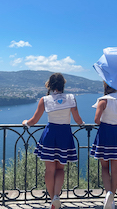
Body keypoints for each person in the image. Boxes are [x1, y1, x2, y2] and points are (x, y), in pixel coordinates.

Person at [22, 73, 84, 209]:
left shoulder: (45, 99)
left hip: (50, 135)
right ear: (63, 85)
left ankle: (52, 200)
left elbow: (34, 121)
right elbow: (78, 119)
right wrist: (83, 124)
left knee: (49, 170)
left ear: (49, 85)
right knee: (60, 168)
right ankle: (57, 196)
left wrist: (25, 122)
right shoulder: (71, 98)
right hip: (65, 135)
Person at [90, 81, 117, 209]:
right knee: (115, 169)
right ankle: (112, 199)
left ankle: (108, 193)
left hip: (104, 134)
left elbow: (96, 121)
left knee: (104, 168)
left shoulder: (103, 101)